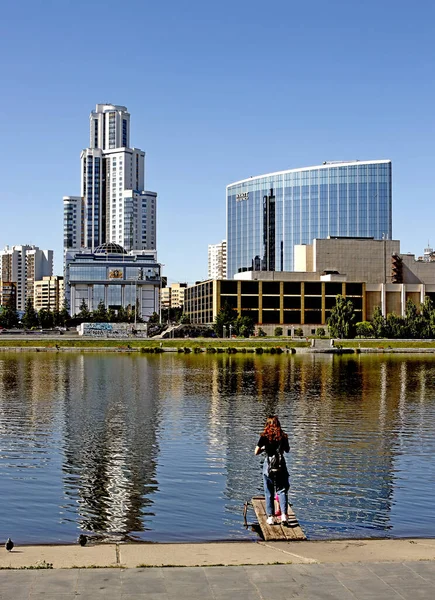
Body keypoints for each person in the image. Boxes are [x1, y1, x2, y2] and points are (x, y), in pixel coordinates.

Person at [255, 416, 290, 525]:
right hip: (280, 464)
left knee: (268, 491)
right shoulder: (283, 436)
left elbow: (256, 452)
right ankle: (284, 516)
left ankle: (271, 517)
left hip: (269, 465)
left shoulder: (264, 436)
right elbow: (287, 450)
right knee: (282, 490)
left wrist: (265, 448)